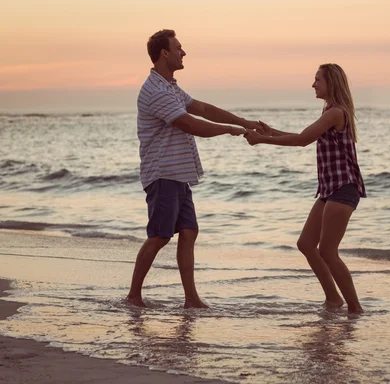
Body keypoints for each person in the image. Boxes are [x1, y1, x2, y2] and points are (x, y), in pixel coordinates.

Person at [126, 29, 263, 308]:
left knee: (189, 232)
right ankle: (133, 295)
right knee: (160, 236)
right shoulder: (154, 90)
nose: (183, 52)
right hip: (162, 174)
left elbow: (201, 108)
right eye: (179, 47)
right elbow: (189, 124)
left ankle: (191, 299)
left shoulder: (170, 87)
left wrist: (244, 121)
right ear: (164, 53)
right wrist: (230, 130)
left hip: (179, 174)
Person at [244, 63, 366, 314]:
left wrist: (262, 140)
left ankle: (355, 308)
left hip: (344, 188)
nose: (313, 84)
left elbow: (302, 140)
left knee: (328, 251)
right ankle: (334, 299)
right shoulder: (329, 111)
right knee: (306, 244)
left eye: (317, 80)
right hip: (330, 189)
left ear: (330, 82)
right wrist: (272, 132)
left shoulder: (336, 113)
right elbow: (305, 135)